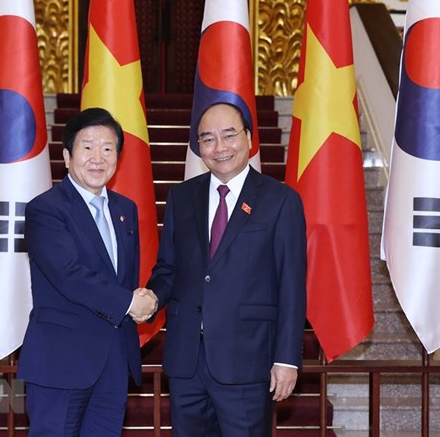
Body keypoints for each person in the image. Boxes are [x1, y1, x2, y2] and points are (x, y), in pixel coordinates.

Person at [147, 102, 307, 436]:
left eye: (229, 135)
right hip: (187, 361)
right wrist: (151, 297)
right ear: (199, 147)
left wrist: (287, 358)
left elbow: (291, 285)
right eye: (208, 139)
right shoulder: (181, 197)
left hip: (248, 360)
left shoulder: (280, 200)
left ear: (248, 138)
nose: (219, 147)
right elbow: (169, 268)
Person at [17, 107, 158, 437]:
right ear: (67, 156)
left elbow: (124, 277)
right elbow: (68, 274)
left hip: (112, 363)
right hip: (60, 362)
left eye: (108, 148)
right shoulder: (46, 209)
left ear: (118, 158)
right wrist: (128, 302)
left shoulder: (126, 209)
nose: (98, 157)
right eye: (88, 146)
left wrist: (142, 301)